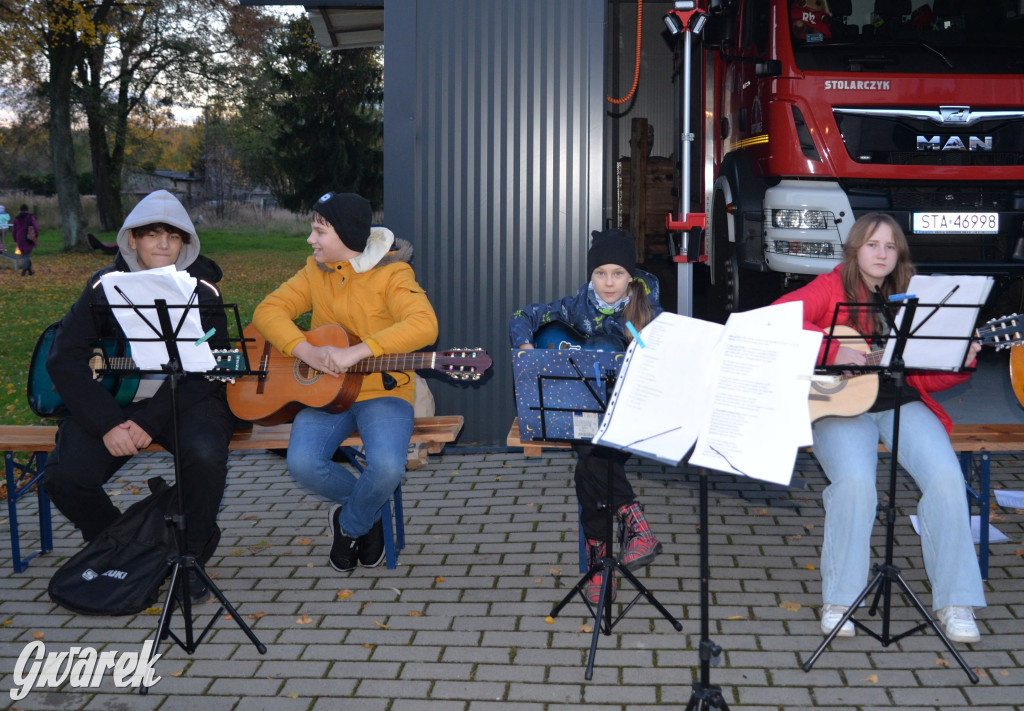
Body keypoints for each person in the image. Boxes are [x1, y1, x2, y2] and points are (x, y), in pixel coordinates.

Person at [773, 212, 986, 643]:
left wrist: (960, 361)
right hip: (839, 403)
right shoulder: (831, 286)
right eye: (873, 244)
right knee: (855, 484)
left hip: (900, 402)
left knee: (947, 478)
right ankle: (841, 600)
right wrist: (835, 347)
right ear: (855, 250)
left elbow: (926, 376)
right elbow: (779, 317)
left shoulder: (914, 296)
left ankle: (956, 602)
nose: (882, 253)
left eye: (890, 246)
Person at [44, 190, 233, 603]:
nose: (164, 244)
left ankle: (191, 555)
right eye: (152, 234)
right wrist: (108, 422)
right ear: (132, 240)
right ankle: (120, 545)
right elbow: (65, 360)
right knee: (65, 476)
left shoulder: (203, 292)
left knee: (205, 457)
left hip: (184, 400)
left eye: (174, 235)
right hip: (113, 404)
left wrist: (149, 422)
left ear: (186, 243)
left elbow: (211, 371)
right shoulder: (102, 288)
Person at [252, 192, 438, 573]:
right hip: (326, 394)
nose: (311, 240)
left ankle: (350, 523)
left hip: (383, 393)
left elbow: (425, 325)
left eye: (319, 231)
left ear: (348, 236)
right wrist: (303, 350)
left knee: (386, 470)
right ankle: (369, 511)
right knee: (302, 463)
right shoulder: (314, 272)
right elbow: (267, 311)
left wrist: (361, 351)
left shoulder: (393, 273)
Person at [509, 228, 663, 603]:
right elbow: (521, 316)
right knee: (592, 460)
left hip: (628, 417)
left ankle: (600, 565)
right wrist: (528, 348)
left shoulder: (646, 314)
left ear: (631, 277)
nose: (608, 283)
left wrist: (644, 345)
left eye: (617, 274)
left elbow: (661, 364)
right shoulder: (573, 308)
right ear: (590, 275)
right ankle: (634, 524)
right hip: (580, 410)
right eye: (600, 273)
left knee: (591, 463)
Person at [12, 204, 40, 276]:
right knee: (27, 255)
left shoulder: (16, 218)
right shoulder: (30, 217)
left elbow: (14, 230)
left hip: (19, 238)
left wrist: (15, 239)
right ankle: (24, 271)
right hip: (28, 237)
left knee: (25, 254)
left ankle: (30, 271)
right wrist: (36, 235)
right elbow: (35, 227)